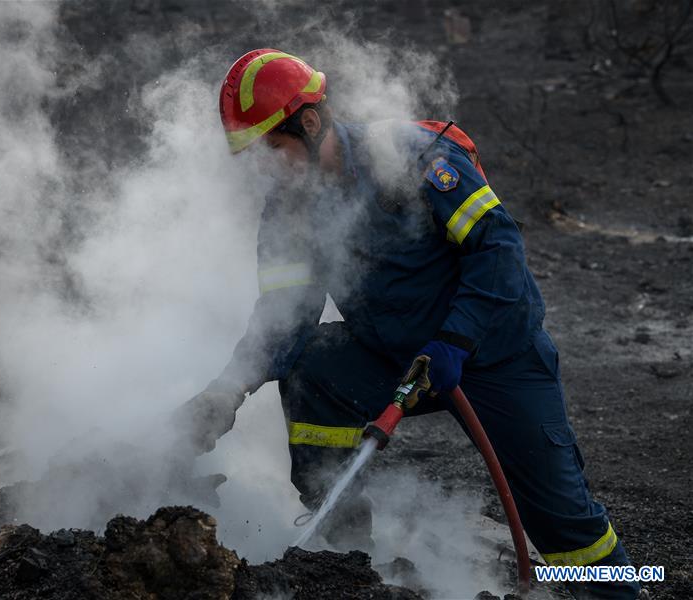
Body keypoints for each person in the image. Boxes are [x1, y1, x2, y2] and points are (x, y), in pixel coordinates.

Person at [177, 49, 641, 599]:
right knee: (313, 367)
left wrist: (456, 341)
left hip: (494, 357)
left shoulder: (412, 157)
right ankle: (343, 559)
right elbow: (283, 315)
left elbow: (499, 249)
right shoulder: (289, 208)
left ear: (309, 123)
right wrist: (227, 389)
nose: (265, 170)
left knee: (564, 525)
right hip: (397, 358)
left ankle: (622, 588)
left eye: (271, 150)